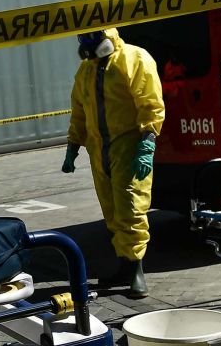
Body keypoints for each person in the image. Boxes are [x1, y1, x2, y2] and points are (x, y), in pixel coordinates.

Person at [61, 28, 165, 299]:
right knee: (111, 209)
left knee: (131, 207)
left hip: (128, 145)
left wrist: (147, 140)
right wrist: (74, 144)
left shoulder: (134, 58)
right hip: (100, 149)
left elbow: (150, 103)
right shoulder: (86, 70)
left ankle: (137, 269)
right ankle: (124, 264)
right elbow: (79, 109)